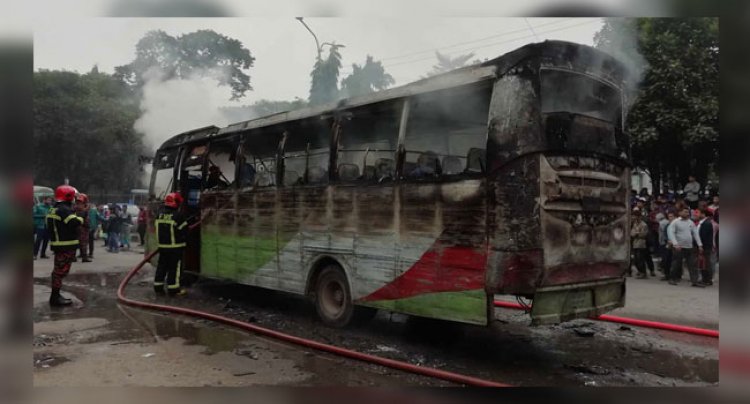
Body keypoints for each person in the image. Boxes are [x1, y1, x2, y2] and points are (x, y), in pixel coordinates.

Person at [46, 185, 83, 306]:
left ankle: (55, 296)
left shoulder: (54, 208)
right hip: (65, 247)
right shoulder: (64, 209)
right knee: (60, 272)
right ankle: (55, 298)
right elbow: (75, 222)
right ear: (68, 196)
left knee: (58, 271)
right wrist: (80, 216)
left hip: (59, 245)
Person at [154, 192, 189, 296]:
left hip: (162, 247)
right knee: (174, 268)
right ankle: (174, 290)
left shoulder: (159, 214)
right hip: (175, 247)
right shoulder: (178, 216)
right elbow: (185, 231)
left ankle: (158, 288)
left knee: (162, 267)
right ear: (176, 203)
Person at [667, 207, 704, 287]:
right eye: (685, 212)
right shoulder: (675, 222)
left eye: (687, 212)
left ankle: (694, 281)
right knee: (676, 263)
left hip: (689, 246)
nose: (687, 213)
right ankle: (672, 279)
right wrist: (675, 244)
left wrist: (700, 245)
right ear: (680, 213)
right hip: (679, 246)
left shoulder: (691, 222)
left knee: (692, 264)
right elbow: (671, 233)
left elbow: (695, 234)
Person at [697, 208, 717, 286]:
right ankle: (706, 279)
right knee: (704, 263)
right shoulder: (702, 223)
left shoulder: (706, 223)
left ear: (703, 214)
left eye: (698, 213)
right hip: (704, 246)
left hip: (705, 246)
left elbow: (703, 237)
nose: (697, 215)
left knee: (706, 264)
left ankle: (707, 279)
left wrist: (700, 246)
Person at [630, 208, 650, 279]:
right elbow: (631, 233)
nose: (634, 217)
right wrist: (635, 234)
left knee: (640, 259)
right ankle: (639, 271)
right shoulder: (635, 224)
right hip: (635, 243)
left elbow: (644, 234)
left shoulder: (644, 225)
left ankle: (643, 272)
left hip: (641, 244)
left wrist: (637, 234)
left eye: (635, 216)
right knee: (635, 260)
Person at [74, 193, 92, 262]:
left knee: (78, 243)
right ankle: (84, 257)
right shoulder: (80, 209)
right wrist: (86, 210)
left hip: (81, 227)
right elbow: (81, 215)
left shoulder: (76, 207)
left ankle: (79, 256)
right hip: (82, 228)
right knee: (83, 243)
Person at [658, 211, 676, 280]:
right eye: (669, 216)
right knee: (666, 260)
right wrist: (667, 241)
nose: (670, 218)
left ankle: (675, 275)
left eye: (671, 216)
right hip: (668, 244)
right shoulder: (667, 225)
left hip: (676, 244)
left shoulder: (677, 224)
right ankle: (667, 274)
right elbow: (665, 234)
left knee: (674, 261)